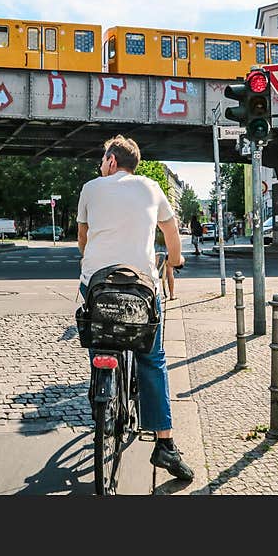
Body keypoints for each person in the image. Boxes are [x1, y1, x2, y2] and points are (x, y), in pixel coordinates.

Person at [77, 134, 194, 481]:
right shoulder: (152, 189)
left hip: (96, 283)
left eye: (103, 159)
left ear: (112, 161)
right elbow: (171, 235)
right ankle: (165, 445)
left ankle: (101, 383)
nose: (101, 164)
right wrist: (176, 259)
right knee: (152, 360)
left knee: (100, 334)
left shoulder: (90, 188)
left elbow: (83, 241)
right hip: (141, 287)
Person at [154, 222, 176, 301]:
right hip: (167, 247)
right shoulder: (168, 220)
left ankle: (155, 295)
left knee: (154, 271)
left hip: (156, 247)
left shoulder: (155, 220)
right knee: (170, 272)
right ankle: (171, 294)